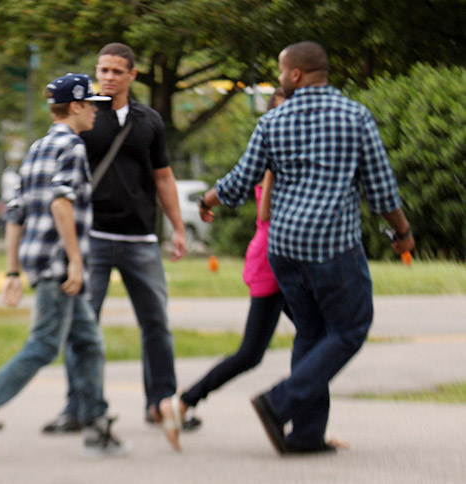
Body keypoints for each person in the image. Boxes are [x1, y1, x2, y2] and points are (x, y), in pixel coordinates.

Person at [196, 41, 415, 455]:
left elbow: (241, 182)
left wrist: (206, 201)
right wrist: (403, 234)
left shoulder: (274, 120)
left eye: (280, 71)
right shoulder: (356, 117)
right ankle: (281, 402)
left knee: (311, 334)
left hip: (284, 249)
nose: (280, 79)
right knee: (350, 328)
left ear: (295, 74)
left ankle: (305, 435)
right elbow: (383, 194)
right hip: (331, 247)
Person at [0, 73, 129, 463]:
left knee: (88, 342)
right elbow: (62, 203)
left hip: (39, 261)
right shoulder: (72, 148)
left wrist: (12, 271)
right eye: (91, 103)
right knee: (44, 345)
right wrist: (76, 261)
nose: (97, 110)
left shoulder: (37, 148)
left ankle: (95, 426)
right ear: (76, 107)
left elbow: (15, 214)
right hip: (60, 266)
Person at [42, 42, 200, 434]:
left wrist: (178, 228)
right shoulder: (85, 115)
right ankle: (78, 408)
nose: (108, 78)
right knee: (83, 325)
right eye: (103, 70)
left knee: (156, 325)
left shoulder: (149, 121)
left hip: (140, 239)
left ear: (132, 75)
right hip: (92, 236)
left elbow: (163, 176)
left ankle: (161, 404)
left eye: (116, 71)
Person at [156, 90, 289, 451]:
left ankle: (307, 425)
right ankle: (183, 402)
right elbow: (264, 214)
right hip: (273, 258)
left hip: (276, 255)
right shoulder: (276, 158)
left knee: (313, 337)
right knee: (253, 352)